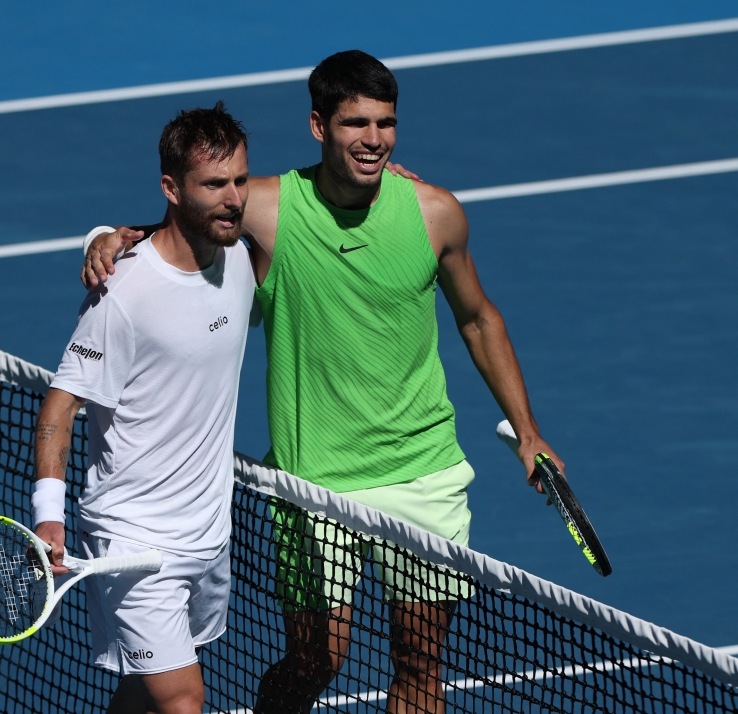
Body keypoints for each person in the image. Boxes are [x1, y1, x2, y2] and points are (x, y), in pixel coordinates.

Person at [83, 51, 563, 714]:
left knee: (420, 662)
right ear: (319, 126)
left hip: (424, 474)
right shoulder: (271, 208)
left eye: (385, 123)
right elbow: (182, 222)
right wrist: (107, 236)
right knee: (316, 659)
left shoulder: (435, 213)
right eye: (355, 123)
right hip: (313, 485)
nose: (374, 139)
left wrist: (529, 434)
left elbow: (479, 319)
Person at [32, 102, 255, 714]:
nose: (234, 198)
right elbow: (60, 407)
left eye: (240, 180)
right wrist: (48, 514)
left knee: (141, 693)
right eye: (214, 184)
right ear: (171, 188)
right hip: (132, 538)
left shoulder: (240, 256)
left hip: (208, 533)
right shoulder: (122, 292)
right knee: (182, 700)